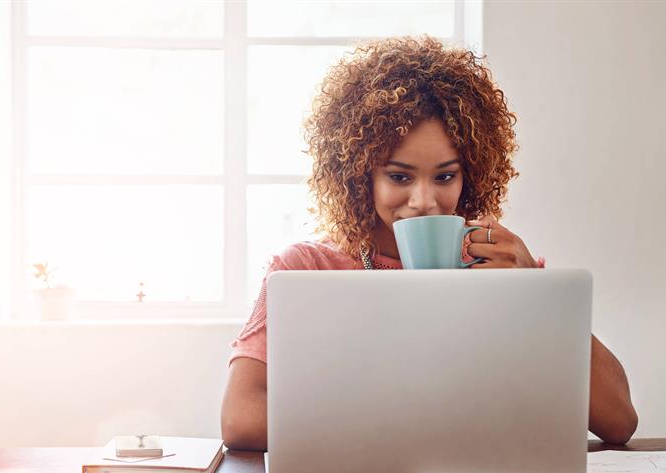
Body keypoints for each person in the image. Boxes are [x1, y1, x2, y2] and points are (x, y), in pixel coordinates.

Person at [220, 35, 637, 451]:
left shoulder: (499, 268)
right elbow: (240, 418)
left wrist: (538, 293)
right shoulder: (306, 269)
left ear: (469, 175)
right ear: (360, 176)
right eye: (399, 177)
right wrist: (412, 432)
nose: (424, 202)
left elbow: (618, 421)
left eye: (445, 176)